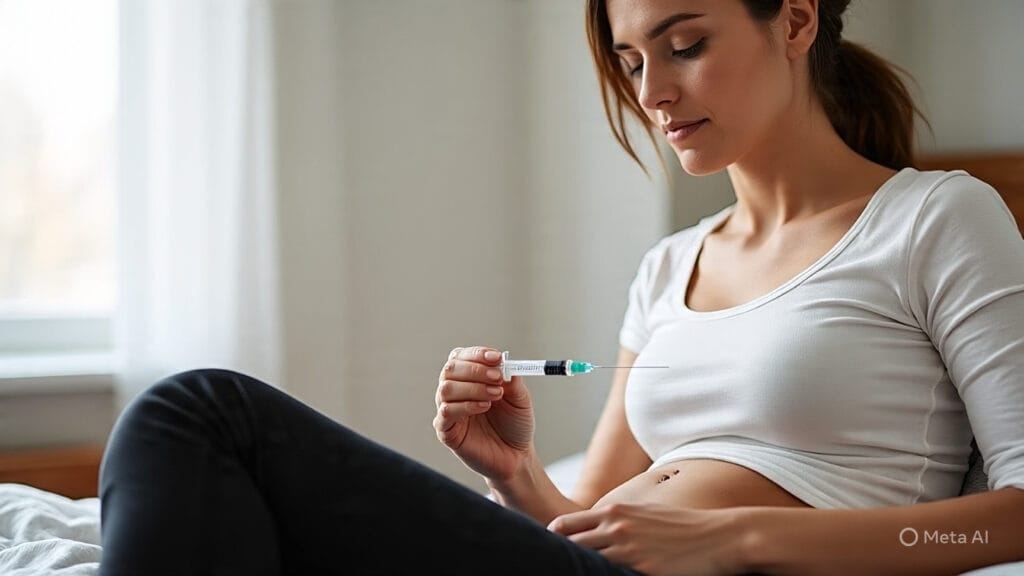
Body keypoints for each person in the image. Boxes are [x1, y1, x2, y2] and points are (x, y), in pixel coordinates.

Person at [98, 0, 1024, 574]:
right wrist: (513, 474)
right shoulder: (671, 265)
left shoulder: (937, 219)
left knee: (201, 414)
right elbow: (580, 525)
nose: (653, 90)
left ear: (794, 19)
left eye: (685, 43)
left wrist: (737, 539)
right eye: (631, 62)